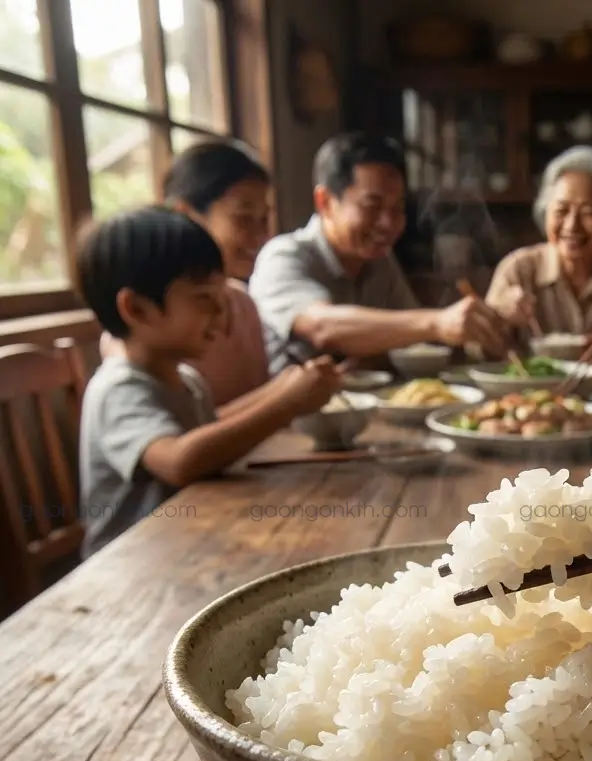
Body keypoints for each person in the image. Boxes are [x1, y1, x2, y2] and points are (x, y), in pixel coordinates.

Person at [77, 207, 342, 558]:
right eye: (205, 299)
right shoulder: (118, 389)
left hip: (191, 544)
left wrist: (285, 386)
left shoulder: (187, 380)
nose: (221, 313)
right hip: (130, 564)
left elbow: (211, 430)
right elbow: (180, 461)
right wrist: (287, 403)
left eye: (221, 298)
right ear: (137, 309)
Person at [249, 132, 511, 375]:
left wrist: (489, 325)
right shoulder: (283, 256)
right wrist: (437, 323)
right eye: (371, 206)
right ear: (325, 202)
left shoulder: (379, 260)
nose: (388, 223)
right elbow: (321, 327)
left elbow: (414, 341)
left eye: (397, 209)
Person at [100, 140, 273, 407]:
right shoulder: (141, 332)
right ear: (184, 215)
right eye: (243, 218)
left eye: (264, 220)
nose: (261, 237)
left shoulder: (243, 304)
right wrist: (282, 399)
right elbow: (180, 427)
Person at [485, 145, 592, 341]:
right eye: (561, 210)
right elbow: (479, 351)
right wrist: (497, 320)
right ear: (545, 213)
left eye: (588, 213)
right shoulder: (518, 270)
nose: (572, 226)